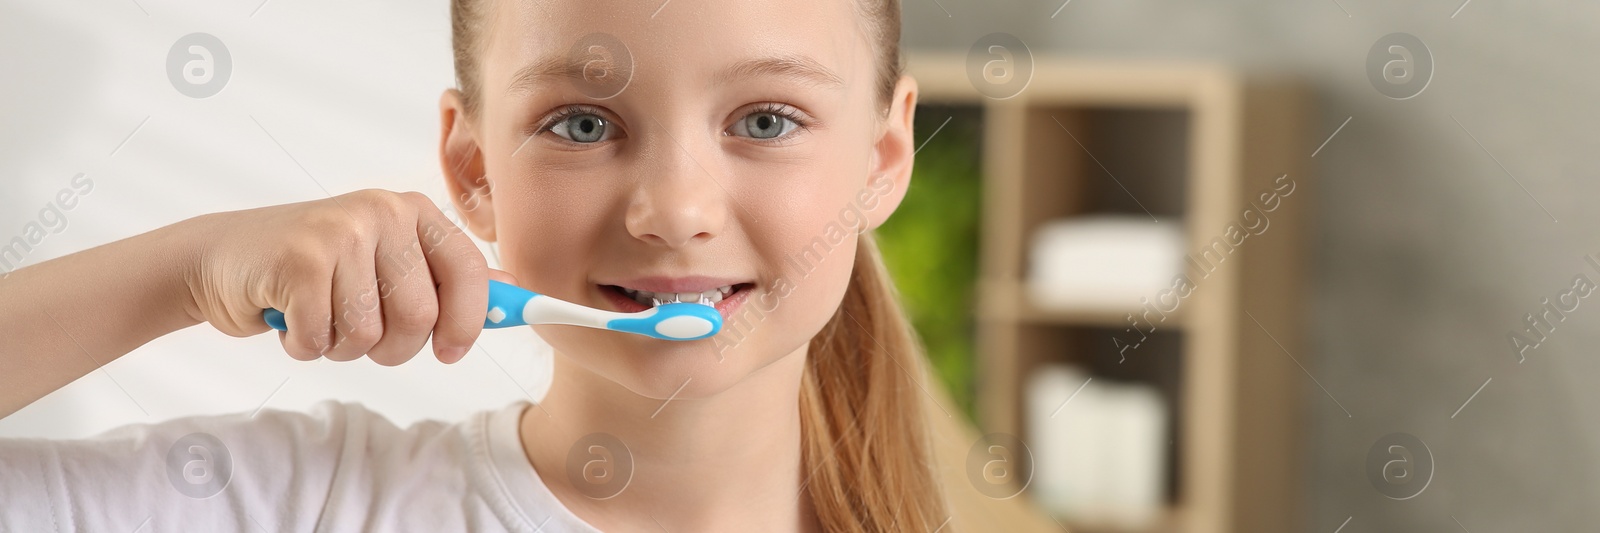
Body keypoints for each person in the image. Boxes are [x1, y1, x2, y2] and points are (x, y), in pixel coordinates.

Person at [0, 0, 951, 531]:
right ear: (473, 167)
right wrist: (187, 272)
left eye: (766, 121)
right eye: (583, 123)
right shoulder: (297, 501)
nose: (675, 211)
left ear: (881, 162)